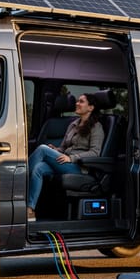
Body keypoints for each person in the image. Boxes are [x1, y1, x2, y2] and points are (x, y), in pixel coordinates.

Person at [27, 93, 104, 221]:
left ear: (91, 107)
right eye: (77, 101)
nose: (77, 103)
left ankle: (20, 179)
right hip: (65, 162)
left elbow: (95, 153)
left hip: (79, 167)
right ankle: (30, 210)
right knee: (39, 169)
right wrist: (56, 150)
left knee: (42, 149)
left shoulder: (96, 127)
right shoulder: (73, 124)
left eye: (81, 101)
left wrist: (72, 158)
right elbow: (63, 147)